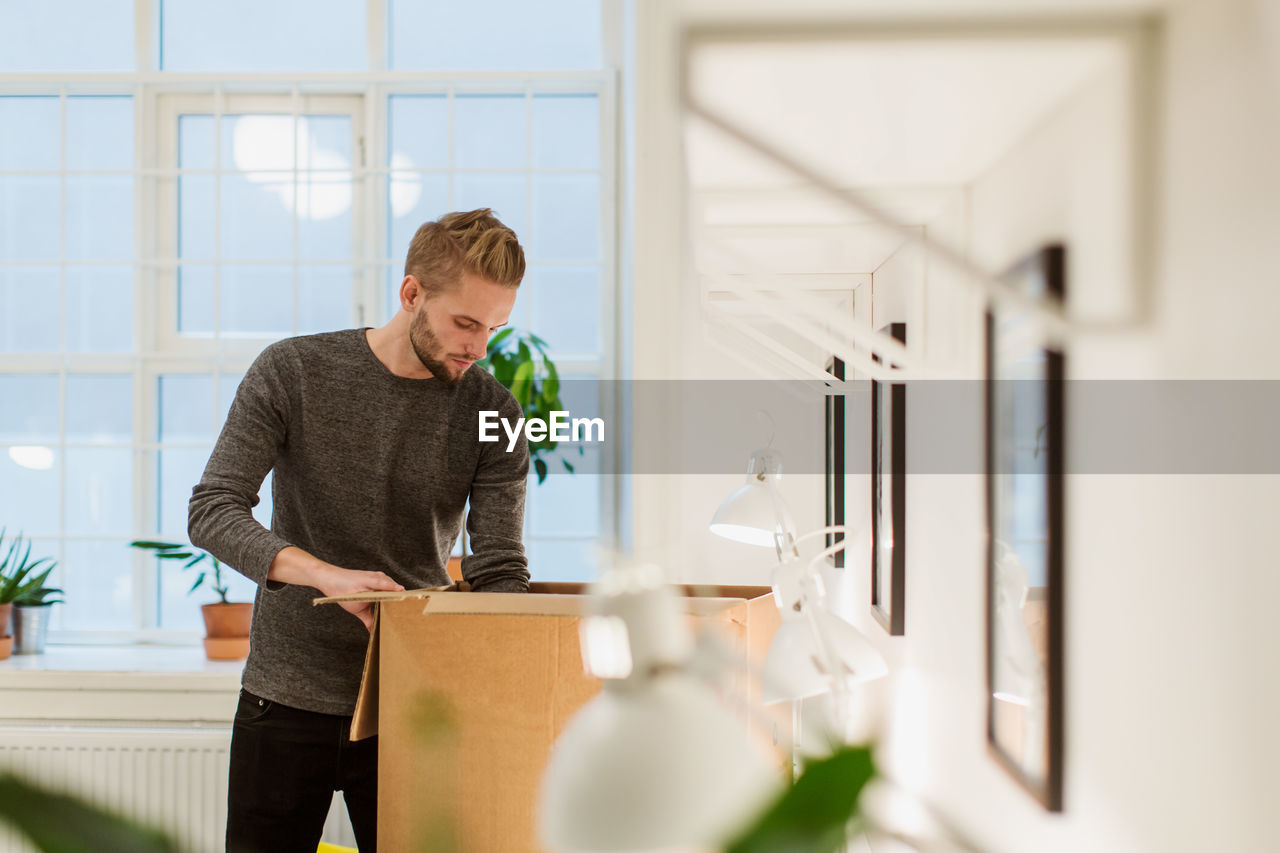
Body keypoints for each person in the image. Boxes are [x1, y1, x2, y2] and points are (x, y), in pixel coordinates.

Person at [188, 208, 531, 853]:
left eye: (494, 328)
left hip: (419, 705)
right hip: (284, 698)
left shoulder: (495, 411)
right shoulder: (292, 372)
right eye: (465, 322)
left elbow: (500, 569)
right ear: (411, 294)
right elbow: (213, 510)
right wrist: (324, 576)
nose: (479, 346)